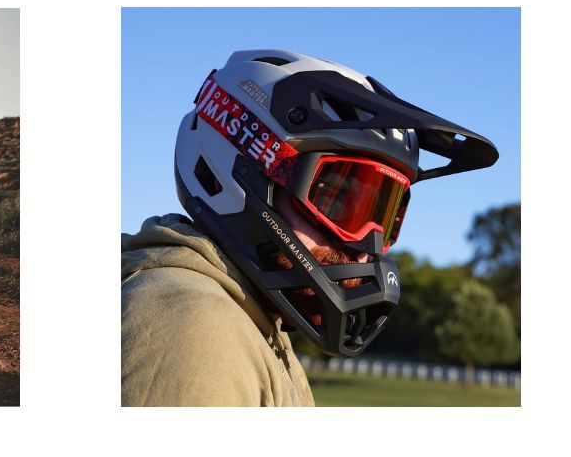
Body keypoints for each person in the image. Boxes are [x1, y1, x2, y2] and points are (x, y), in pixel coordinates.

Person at [121, 50, 499, 406]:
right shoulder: (194, 327)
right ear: (244, 169)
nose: (366, 245)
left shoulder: (256, 323)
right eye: (339, 201)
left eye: (382, 213)